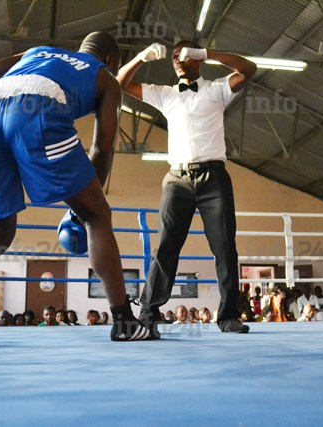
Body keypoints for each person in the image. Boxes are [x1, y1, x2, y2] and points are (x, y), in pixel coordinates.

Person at [0, 32, 153, 345]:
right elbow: (102, 150)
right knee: (98, 217)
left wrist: (3, 120)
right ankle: (124, 321)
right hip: (39, 108)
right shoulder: (105, 76)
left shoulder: (39, 51)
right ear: (111, 60)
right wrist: (85, 208)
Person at [117, 41, 257, 336]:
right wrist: (141, 57)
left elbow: (249, 69)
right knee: (165, 247)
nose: (177, 60)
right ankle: (149, 312)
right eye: (173, 57)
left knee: (224, 248)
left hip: (214, 178)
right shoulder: (165, 94)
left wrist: (209, 54)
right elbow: (120, 84)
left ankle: (229, 315)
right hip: (177, 179)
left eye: (183, 54)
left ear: (197, 58)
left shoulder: (217, 89)